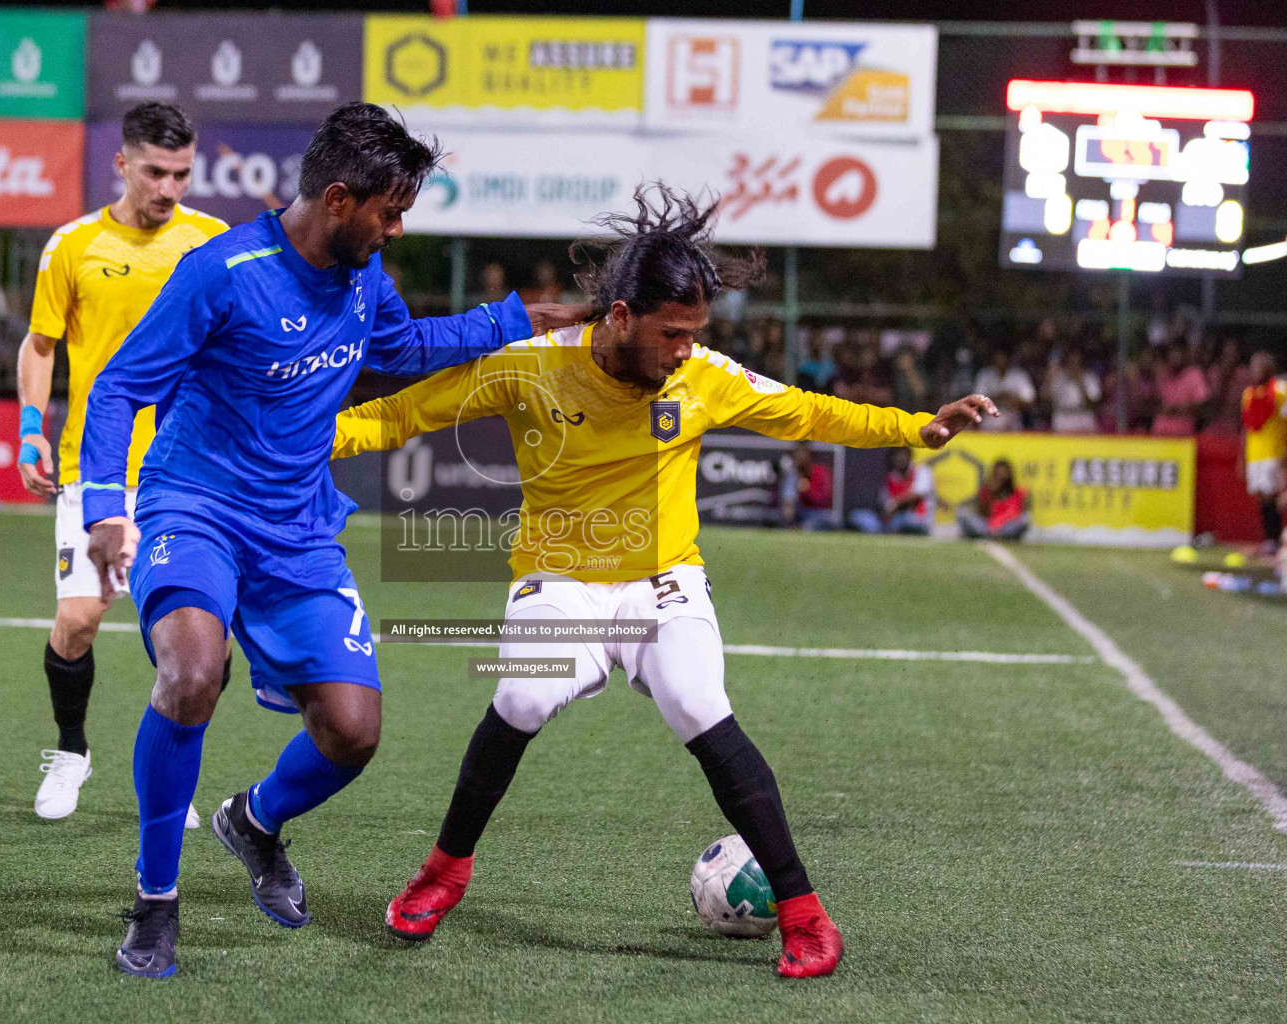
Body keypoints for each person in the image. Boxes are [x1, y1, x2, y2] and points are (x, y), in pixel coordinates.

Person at [333, 184, 997, 980]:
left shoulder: (704, 377)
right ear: (619, 316)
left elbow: (806, 413)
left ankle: (805, 913)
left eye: (695, 334)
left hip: (663, 584)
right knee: (521, 696)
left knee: (696, 703)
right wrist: (301, 443)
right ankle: (444, 873)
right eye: (672, 333)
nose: (686, 349)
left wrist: (913, 429)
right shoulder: (530, 366)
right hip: (560, 582)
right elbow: (400, 416)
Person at [77, 102, 588, 979]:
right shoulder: (223, 271)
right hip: (194, 505)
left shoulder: (364, 278)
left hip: (299, 527)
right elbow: (120, 386)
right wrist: (103, 509)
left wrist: (519, 320)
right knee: (192, 672)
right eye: (391, 213)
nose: (397, 230)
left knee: (352, 730)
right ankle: (155, 901)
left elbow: (403, 346)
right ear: (341, 198)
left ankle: (254, 822)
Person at [15, 102, 229, 823]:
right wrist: (28, 427)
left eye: (181, 173)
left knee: (196, 642)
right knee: (77, 620)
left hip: (187, 473)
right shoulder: (72, 245)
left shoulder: (212, 243)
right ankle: (72, 751)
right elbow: (41, 343)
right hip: (95, 470)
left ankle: (172, 771)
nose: (168, 186)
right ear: (122, 164)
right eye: (154, 171)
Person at [1239, 352, 1285, 555]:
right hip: (1255, 454)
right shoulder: (1249, 393)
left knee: (1272, 496)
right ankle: (1270, 539)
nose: (1254, 370)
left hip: (1273, 451)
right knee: (1261, 496)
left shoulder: (1280, 392)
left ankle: (1274, 540)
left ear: (1269, 369)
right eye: (1252, 366)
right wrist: (1242, 456)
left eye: (1258, 366)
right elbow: (1246, 426)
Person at [849, 448, 934, 535]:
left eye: (903, 455)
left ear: (909, 456)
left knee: (905, 522)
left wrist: (896, 503)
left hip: (916, 518)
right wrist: (887, 511)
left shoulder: (921, 471)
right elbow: (885, 505)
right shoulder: (891, 477)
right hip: (892, 520)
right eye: (897, 456)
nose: (900, 459)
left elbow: (918, 492)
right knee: (857, 516)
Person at [958, 459, 1030, 540]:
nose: (1001, 477)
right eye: (998, 474)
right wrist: (989, 493)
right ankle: (988, 535)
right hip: (987, 527)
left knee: (1025, 519)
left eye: (1003, 475)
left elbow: (1020, 515)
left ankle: (998, 536)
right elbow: (983, 514)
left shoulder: (1018, 493)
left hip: (1006, 528)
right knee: (963, 513)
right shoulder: (988, 490)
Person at [778, 441, 839, 531]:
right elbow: (784, 498)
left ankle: (801, 528)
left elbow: (825, 500)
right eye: (797, 452)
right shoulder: (792, 474)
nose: (800, 456)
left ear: (809, 454)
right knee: (790, 480)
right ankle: (788, 524)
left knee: (827, 520)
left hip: (818, 514)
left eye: (803, 452)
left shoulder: (819, 471)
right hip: (799, 513)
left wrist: (808, 490)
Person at [1152, 343, 1209, 436]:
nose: (1175, 356)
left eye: (1178, 352)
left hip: (1183, 434)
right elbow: (1154, 402)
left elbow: (1203, 403)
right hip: (1160, 433)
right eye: (1172, 353)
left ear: (1185, 354)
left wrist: (1178, 408)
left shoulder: (1194, 373)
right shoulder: (1163, 373)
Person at [973, 348, 1035, 432]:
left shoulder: (1019, 375)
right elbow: (976, 400)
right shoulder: (985, 375)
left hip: (1013, 421)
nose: (1000, 360)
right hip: (989, 423)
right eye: (998, 357)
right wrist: (998, 397)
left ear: (1009, 358)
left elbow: (1030, 399)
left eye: (1003, 357)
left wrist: (1010, 398)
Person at [1043, 348, 1100, 434]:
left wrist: (1080, 383)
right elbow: (1047, 398)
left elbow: (1093, 401)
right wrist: (1049, 378)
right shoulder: (1059, 378)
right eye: (1071, 362)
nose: (1074, 365)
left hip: (1083, 417)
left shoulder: (1089, 378)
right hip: (1063, 417)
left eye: (1077, 362)